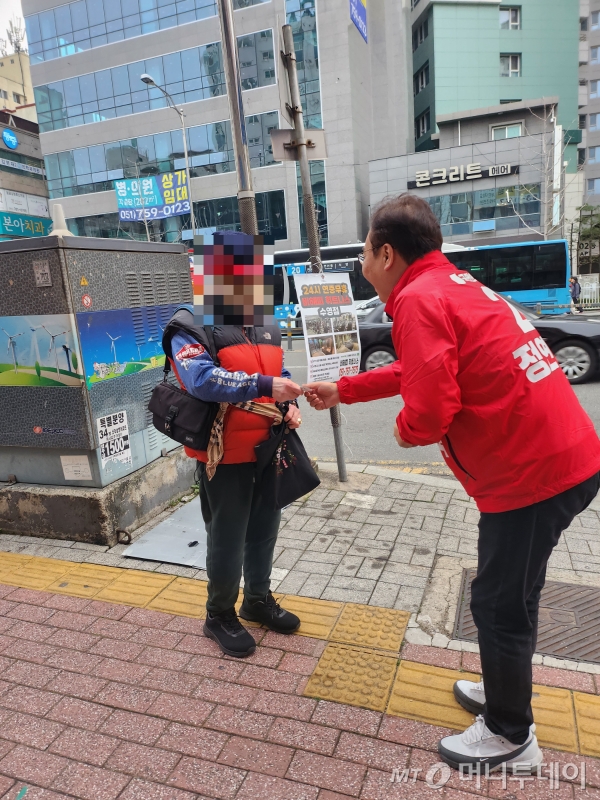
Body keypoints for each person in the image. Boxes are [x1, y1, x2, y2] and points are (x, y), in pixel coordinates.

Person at [304, 194, 600, 774]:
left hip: (532, 473)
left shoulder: (416, 299)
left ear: (386, 252)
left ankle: (511, 737)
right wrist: (346, 388)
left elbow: (432, 403)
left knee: (497, 604)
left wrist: (406, 429)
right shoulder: (451, 286)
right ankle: (504, 693)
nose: (362, 264)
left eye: (365, 251)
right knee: (511, 595)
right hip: (560, 456)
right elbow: (423, 367)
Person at [162, 303, 303, 658]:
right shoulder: (190, 325)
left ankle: (256, 600)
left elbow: (277, 370)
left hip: (268, 449)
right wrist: (267, 384)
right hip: (222, 456)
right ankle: (219, 614)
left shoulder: (263, 323)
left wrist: (287, 405)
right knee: (227, 539)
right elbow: (202, 380)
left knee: (265, 531)